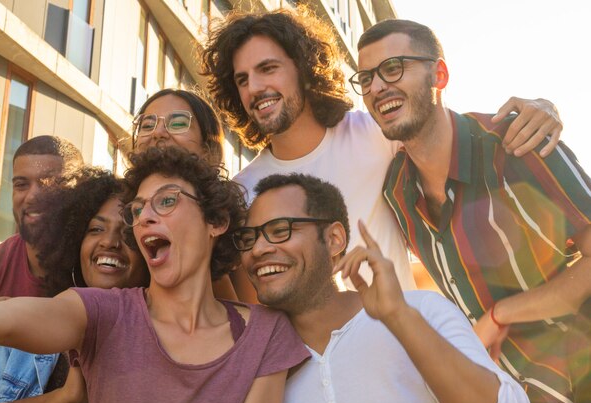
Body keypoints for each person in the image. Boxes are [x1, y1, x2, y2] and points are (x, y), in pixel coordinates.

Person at [201, 7, 563, 296]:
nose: (255, 88)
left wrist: (541, 106)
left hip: (408, 360)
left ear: (304, 71)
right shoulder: (245, 192)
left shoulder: (374, 132)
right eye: (242, 79)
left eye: (268, 69)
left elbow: (449, 131)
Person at [351, 19, 591, 403]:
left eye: (393, 68)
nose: (377, 87)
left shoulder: (516, 145)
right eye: (366, 77)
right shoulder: (397, 193)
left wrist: (502, 314)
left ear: (439, 74)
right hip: (503, 398)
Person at [0, 147, 309, 403]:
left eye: (167, 201)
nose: (144, 218)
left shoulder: (266, 333)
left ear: (216, 220)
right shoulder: (103, 313)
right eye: (139, 209)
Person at [235, 173, 531, 403]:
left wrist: (398, 318)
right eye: (249, 238)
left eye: (280, 230)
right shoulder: (255, 362)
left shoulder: (422, 310)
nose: (258, 250)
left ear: (334, 239)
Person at [0, 167, 150, 403]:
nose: (109, 242)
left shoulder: (158, 350)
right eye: (96, 229)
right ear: (73, 244)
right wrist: (65, 398)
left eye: (128, 235)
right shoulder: (24, 328)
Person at [130, 88, 238, 300]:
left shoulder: (233, 229)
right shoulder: (117, 208)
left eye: (178, 123)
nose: (158, 133)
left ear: (209, 149)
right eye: (147, 125)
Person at [0, 135, 84, 300]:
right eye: (21, 185)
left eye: (48, 184)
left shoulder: (99, 261)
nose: (31, 197)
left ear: (79, 190)